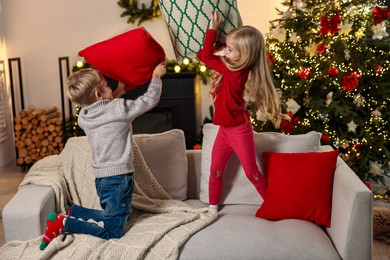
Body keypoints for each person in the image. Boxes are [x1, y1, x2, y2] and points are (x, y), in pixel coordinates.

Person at [39, 62, 166, 250]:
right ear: (98, 94)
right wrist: (156, 77)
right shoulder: (119, 109)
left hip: (102, 179)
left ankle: (74, 211)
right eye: (107, 85)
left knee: (119, 216)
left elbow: (103, 108)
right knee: (113, 231)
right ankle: (64, 223)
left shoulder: (84, 116)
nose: (110, 86)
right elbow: (149, 100)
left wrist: (118, 91)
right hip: (119, 179)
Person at [197, 12, 288, 209]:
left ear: (244, 55)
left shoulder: (233, 72)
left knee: (252, 172)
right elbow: (210, 55)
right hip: (224, 131)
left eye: (229, 50)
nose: (224, 52)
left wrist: (212, 29)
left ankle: (273, 205)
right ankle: (212, 209)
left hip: (238, 131)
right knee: (216, 170)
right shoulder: (233, 67)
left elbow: (203, 55)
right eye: (226, 48)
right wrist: (224, 45)